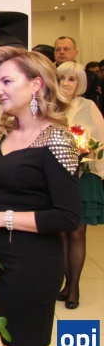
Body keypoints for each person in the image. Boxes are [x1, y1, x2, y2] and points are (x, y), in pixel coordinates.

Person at [0, 46, 80, 346]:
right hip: (0, 261)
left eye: (7, 82)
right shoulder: (6, 132)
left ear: (35, 84)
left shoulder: (56, 139)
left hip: (33, 265)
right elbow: (3, 190)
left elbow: (68, 216)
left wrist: (1, 219)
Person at [56, 62, 104, 310]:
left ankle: (74, 287)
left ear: (80, 83)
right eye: (62, 78)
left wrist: (88, 152)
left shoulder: (89, 106)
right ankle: (66, 283)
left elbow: (101, 142)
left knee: (77, 232)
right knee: (61, 233)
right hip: (56, 177)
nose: (66, 83)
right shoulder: (50, 106)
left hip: (83, 177)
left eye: (71, 79)